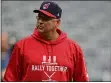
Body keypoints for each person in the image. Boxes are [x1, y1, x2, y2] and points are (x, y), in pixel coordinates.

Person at [3, 1, 89, 82]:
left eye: (45, 18)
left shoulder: (74, 48)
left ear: (57, 23)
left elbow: (82, 80)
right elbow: (9, 79)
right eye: (39, 17)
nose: (40, 21)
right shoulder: (21, 46)